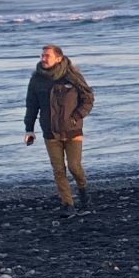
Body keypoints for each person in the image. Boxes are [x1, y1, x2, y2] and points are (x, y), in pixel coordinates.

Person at [23, 44, 96, 214]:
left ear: (59, 58)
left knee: (74, 167)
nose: (43, 58)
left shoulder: (72, 76)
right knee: (58, 169)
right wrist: (29, 129)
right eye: (42, 55)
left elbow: (88, 98)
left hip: (72, 131)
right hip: (50, 132)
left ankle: (83, 189)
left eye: (47, 55)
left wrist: (76, 117)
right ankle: (68, 204)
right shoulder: (36, 79)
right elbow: (31, 106)